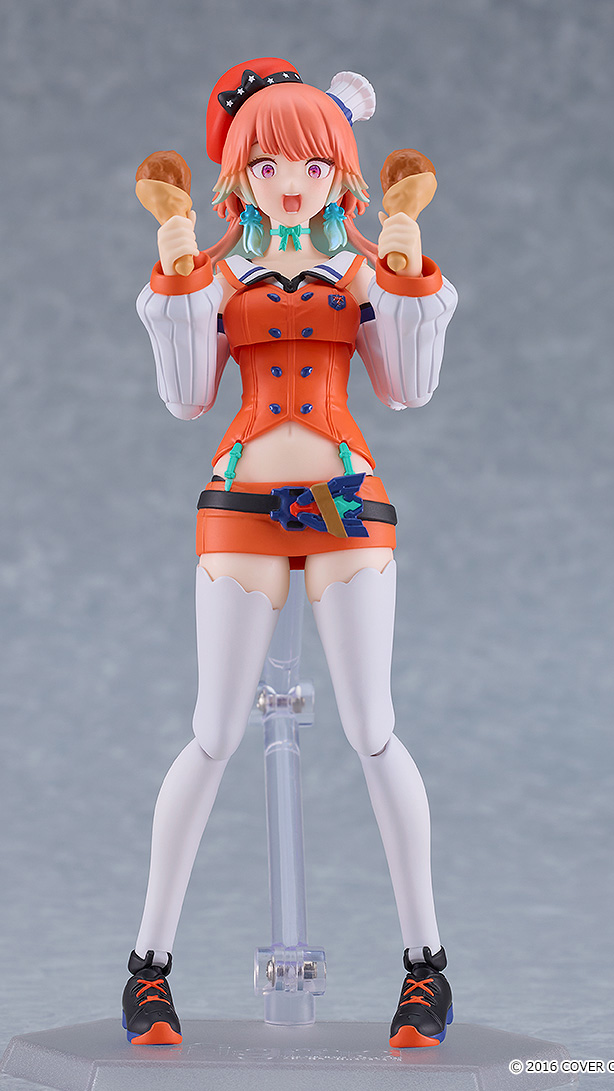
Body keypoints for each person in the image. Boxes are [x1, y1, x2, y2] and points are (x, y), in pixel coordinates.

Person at [124, 57, 458, 1049]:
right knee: (214, 732)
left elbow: (407, 387)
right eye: (268, 166)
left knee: (373, 728)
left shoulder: (358, 271)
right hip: (242, 504)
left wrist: (407, 274)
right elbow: (188, 395)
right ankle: (148, 968)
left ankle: (426, 967)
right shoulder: (222, 275)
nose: (292, 184)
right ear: (241, 176)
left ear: (340, 172)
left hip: (348, 501)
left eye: (312, 165)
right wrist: (178, 271)